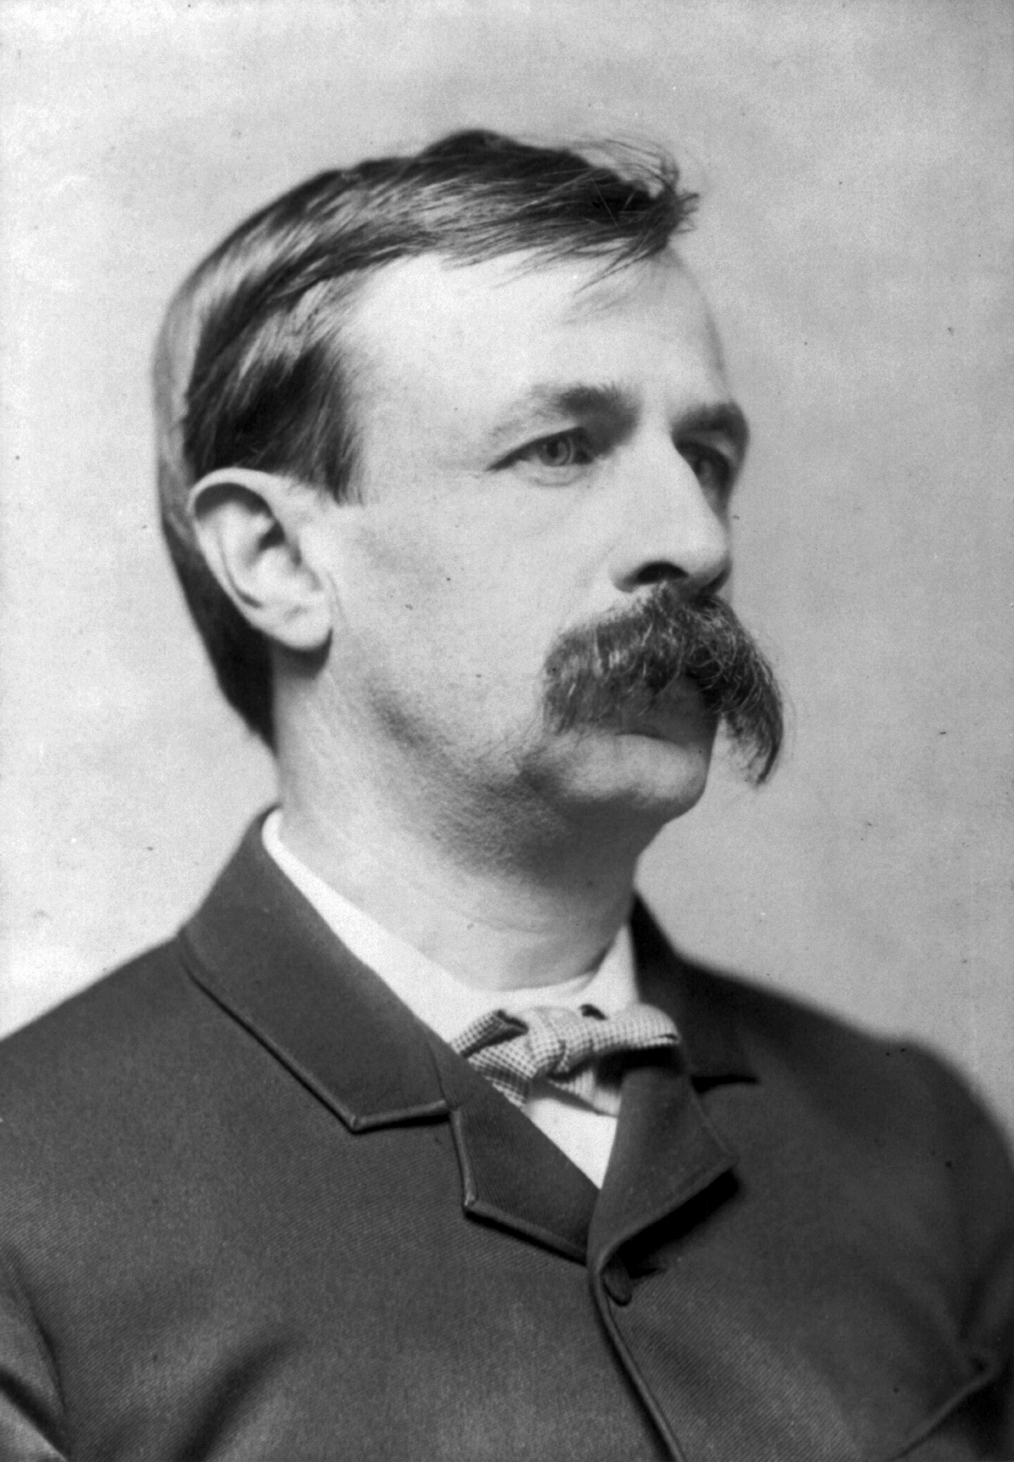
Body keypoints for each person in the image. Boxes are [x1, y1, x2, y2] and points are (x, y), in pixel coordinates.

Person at [1, 130, 1011, 1462]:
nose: (697, 539)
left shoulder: (917, 1140)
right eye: (559, 447)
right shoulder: (23, 1198)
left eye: (705, 458)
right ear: (277, 559)